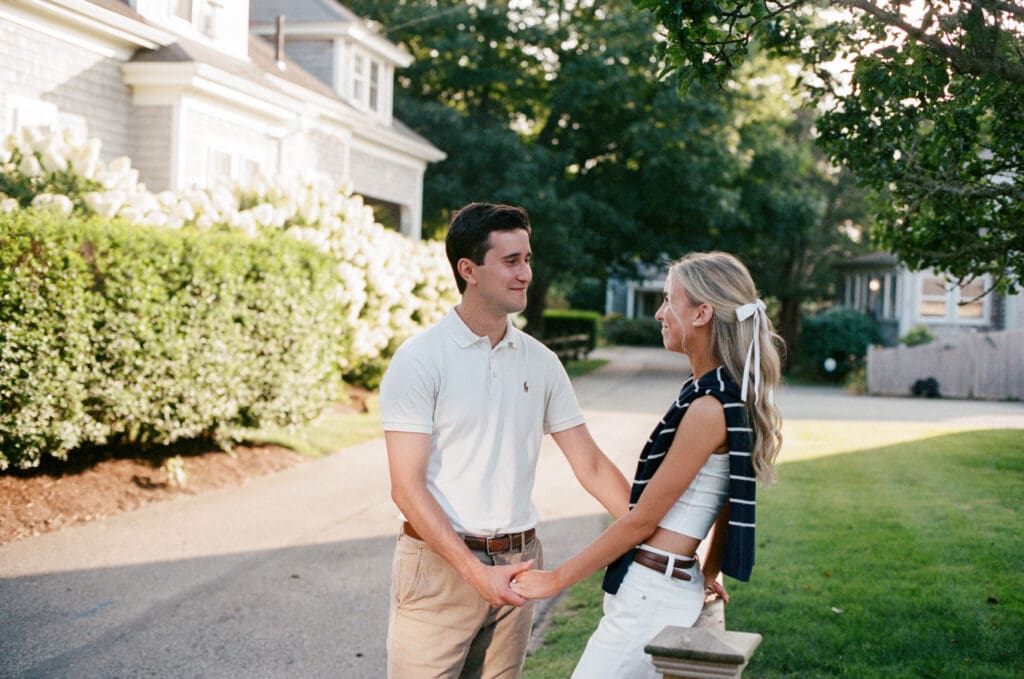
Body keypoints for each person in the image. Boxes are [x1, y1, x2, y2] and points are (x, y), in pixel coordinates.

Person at [379, 202, 631, 678]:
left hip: (519, 568)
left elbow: (592, 466)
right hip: (438, 569)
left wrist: (664, 544)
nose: (526, 274)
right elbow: (406, 487)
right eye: (511, 261)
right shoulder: (420, 360)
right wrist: (476, 574)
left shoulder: (541, 362)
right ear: (468, 270)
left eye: (528, 259)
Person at [511, 251, 784, 679]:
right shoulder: (721, 394)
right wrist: (706, 571)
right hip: (666, 586)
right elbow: (730, 502)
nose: (660, 313)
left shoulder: (709, 406)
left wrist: (555, 580)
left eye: (668, 300)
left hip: (652, 594)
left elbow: (642, 522)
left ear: (701, 313)